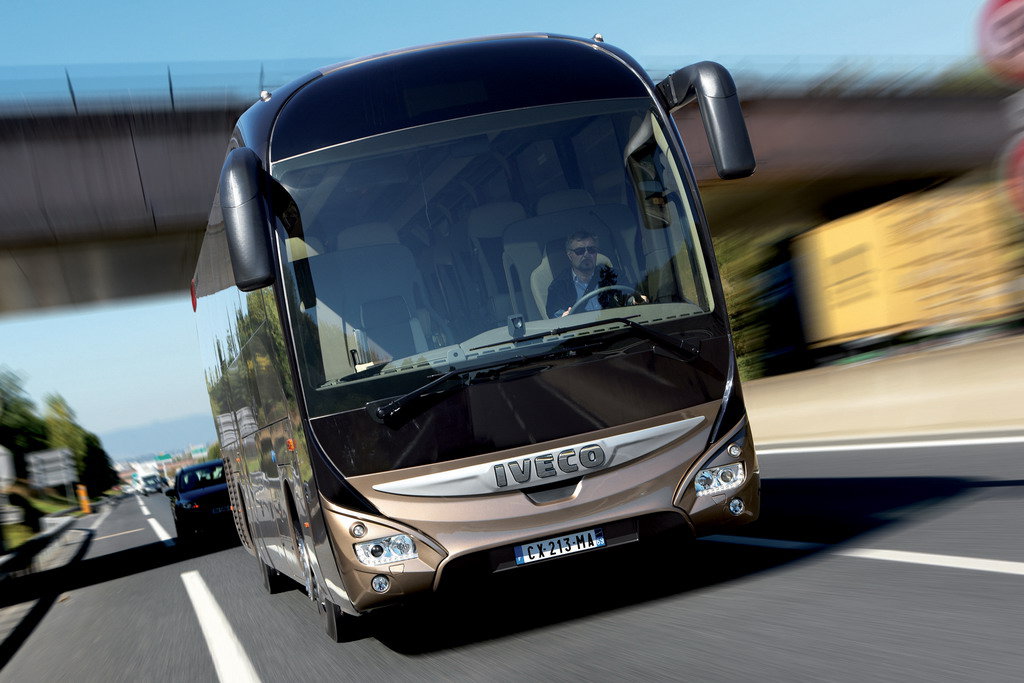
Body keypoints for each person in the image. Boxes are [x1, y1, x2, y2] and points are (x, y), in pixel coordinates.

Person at [546, 231, 643, 318]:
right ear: (570, 255)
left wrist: (635, 299)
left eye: (591, 250)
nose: (586, 254)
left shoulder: (613, 275)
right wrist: (564, 316)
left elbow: (629, 295)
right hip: (582, 331)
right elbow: (555, 315)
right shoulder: (558, 286)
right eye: (580, 251)